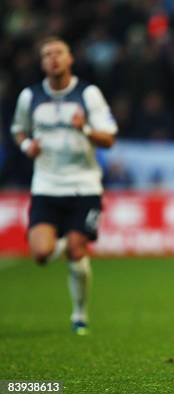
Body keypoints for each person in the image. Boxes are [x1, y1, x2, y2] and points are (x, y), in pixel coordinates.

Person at [11, 37, 118, 334]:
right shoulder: (29, 97)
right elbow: (18, 130)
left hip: (84, 186)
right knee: (41, 255)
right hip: (46, 186)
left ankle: (79, 315)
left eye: (58, 52)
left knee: (75, 248)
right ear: (41, 62)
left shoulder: (88, 94)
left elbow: (109, 138)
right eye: (47, 54)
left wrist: (83, 128)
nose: (53, 58)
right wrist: (27, 146)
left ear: (70, 58)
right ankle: (68, 242)